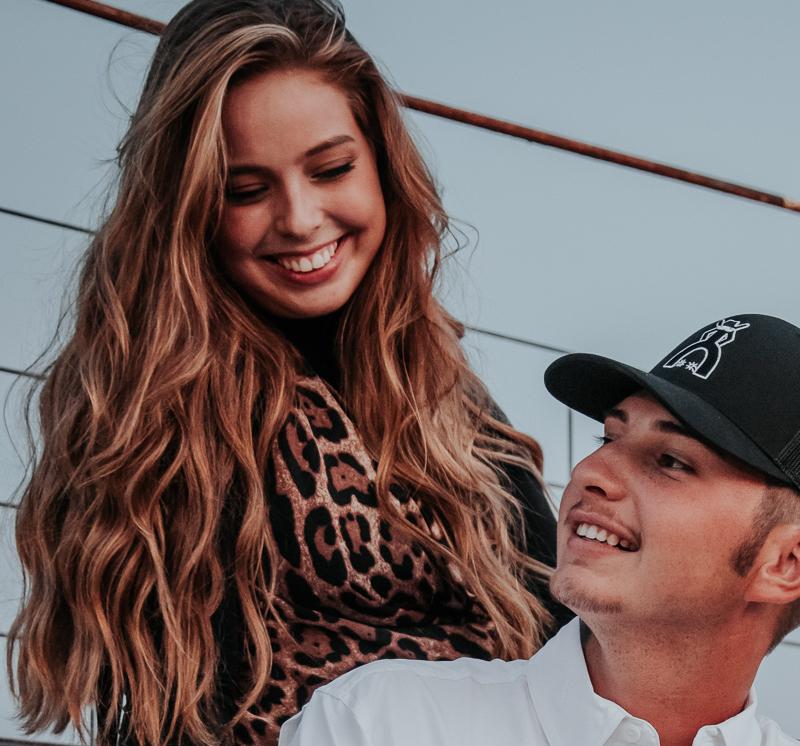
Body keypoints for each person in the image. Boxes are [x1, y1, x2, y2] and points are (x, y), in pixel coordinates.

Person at [7, 1, 569, 744]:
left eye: (331, 169)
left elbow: (567, 634)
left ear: (384, 167)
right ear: (186, 207)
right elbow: (195, 711)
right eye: (245, 190)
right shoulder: (163, 410)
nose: (300, 219)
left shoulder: (445, 391)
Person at [278, 313, 800, 746]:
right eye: (608, 437)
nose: (591, 472)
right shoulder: (383, 723)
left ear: (788, 563)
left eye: (671, 461)